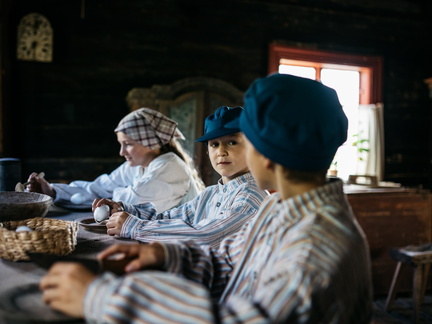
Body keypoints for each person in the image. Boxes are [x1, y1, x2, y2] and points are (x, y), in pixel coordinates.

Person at [40, 74, 373, 323]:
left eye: (244, 141)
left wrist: (99, 298)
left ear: (266, 155)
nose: (224, 152)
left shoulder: (316, 249)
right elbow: (229, 260)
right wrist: (164, 255)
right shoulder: (282, 210)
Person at [93, 106, 269, 248]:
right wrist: (125, 209)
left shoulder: (251, 197)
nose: (221, 152)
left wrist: (135, 226)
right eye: (214, 144)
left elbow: (207, 236)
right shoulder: (212, 194)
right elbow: (170, 217)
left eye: (232, 142)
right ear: (207, 151)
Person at [26, 108, 205, 212]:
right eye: (121, 144)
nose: (122, 152)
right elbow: (100, 188)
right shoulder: (135, 167)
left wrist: (111, 196)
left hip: (182, 242)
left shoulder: (170, 166)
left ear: (151, 143)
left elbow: (133, 199)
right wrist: (53, 191)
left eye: (128, 144)